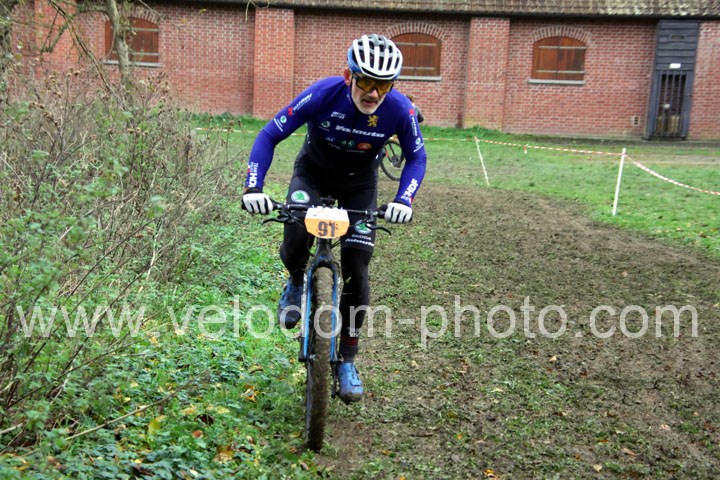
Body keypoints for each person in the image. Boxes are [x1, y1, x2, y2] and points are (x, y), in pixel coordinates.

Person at [242, 34, 427, 403]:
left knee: (358, 268)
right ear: (348, 75)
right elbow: (269, 134)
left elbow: (416, 157)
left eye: (384, 85)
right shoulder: (323, 94)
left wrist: (403, 199)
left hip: (359, 185)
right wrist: (253, 188)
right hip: (312, 175)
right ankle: (297, 280)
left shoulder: (400, 110)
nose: (373, 93)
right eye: (367, 81)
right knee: (296, 235)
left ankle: (347, 360)